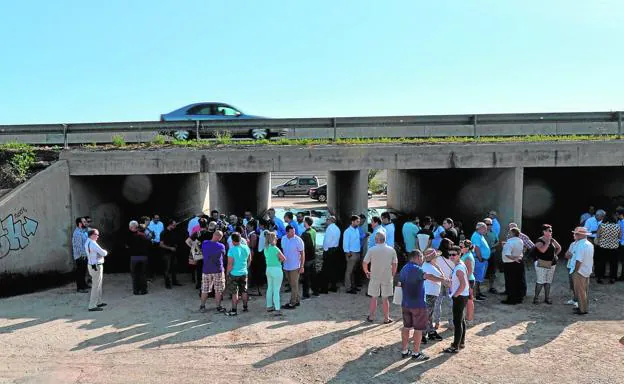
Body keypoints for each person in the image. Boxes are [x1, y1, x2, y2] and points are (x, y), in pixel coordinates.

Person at [398, 250, 431, 361]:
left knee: (406, 327)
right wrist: (443, 280)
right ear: (417, 257)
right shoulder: (418, 269)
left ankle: (404, 350)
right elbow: (427, 276)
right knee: (418, 329)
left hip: (405, 303)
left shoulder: (404, 268)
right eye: (421, 257)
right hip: (418, 304)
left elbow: (400, 283)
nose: (422, 260)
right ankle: (416, 353)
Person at [363, 231, 397, 324]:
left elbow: (365, 262)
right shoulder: (391, 250)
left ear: (377, 240)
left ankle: (371, 316)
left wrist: (367, 272)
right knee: (385, 299)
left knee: (374, 297)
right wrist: (393, 274)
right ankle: (386, 318)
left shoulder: (372, 250)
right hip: (387, 276)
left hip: (374, 275)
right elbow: (394, 264)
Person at [443, 246, 470, 353]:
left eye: (454, 254)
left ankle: (455, 346)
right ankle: (461, 342)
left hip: (460, 297)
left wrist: (455, 295)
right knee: (461, 320)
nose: (451, 256)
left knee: (457, 321)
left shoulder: (459, 268)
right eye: (450, 254)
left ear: (459, 254)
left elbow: (463, 284)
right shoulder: (460, 264)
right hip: (463, 296)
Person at [421, 248, 447, 343]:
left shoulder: (429, 265)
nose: (437, 259)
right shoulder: (429, 267)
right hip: (429, 294)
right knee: (427, 314)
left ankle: (430, 332)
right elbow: (441, 277)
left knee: (429, 314)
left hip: (430, 293)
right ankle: (422, 335)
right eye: (435, 257)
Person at [199, 230, 227, 313]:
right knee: (218, 290)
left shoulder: (205, 243)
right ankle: (218, 307)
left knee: (205, 289)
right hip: (218, 270)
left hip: (206, 270)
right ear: (220, 237)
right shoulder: (221, 246)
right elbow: (223, 255)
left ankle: (202, 306)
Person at [533, 224, 561, 304]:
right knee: (540, 281)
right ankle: (536, 298)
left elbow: (559, 247)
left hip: (552, 263)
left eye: (551, 230)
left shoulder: (552, 239)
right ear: (544, 231)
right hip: (541, 263)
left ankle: (547, 298)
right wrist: (548, 241)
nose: (551, 232)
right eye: (549, 230)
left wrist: (555, 255)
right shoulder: (539, 240)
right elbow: (542, 250)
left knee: (548, 281)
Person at [225, 232, 252, 316]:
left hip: (234, 273)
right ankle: (245, 307)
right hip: (244, 272)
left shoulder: (231, 250)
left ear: (232, 240)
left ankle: (234, 310)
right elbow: (250, 259)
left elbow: (230, 264)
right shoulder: (246, 247)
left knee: (234, 292)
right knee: (244, 291)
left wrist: (227, 273)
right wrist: (246, 267)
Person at [570, 227, 594, 315]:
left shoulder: (580, 245)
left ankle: (582, 309)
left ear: (580, 235)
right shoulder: (589, 244)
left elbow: (579, 260)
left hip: (579, 271)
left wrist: (575, 271)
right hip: (586, 270)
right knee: (584, 291)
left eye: (576, 234)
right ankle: (583, 307)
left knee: (580, 291)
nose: (574, 235)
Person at [281, 225, 305, 309]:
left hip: (295, 266)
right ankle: (297, 300)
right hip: (286, 266)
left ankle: (292, 303)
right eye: (292, 232)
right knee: (291, 284)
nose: (294, 233)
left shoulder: (298, 240)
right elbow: (283, 252)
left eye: (294, 231)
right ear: (287, 232)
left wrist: (302, 266)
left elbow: (302, 254)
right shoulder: (283, 239)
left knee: (294, 284)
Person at [85, 228, 108, 312]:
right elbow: (103, 253)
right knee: (96, 285)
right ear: (92, 235)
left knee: (98, 284)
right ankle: (92, 305)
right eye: (96, 234)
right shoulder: (93, 243)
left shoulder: (88, 241)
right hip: (96, 266)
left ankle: (98, 302)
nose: (98, 236)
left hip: (92, 265)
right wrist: (105, 252)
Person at [264, 231, 286, 315]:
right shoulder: (275, 248)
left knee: (270, 288)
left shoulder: (266, 248)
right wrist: (278, 261)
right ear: (273, 238)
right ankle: (277, 308)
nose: (277, 238)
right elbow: (283, 258)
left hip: (268, 269)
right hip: (276, 269)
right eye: (275, 237)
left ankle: (269, 306)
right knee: (276, 290)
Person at [594, 214, 621, 284]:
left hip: (603, 247)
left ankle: (600, 277)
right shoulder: (618, 226)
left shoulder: (602, 226)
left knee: (601, 263)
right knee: (613, 264)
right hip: (614, 248)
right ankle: (612, 278)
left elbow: (597, 235)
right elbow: (620, 237)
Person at [501, 228, 525, 305]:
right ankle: (519, 298)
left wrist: (514, 259)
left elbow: (507, 254)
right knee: (518, 281)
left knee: (510, 282)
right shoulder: (520, 240)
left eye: (509, 233)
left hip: (510, 264)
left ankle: (511, 300)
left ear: (513, 234)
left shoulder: (510, 242)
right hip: (519, 262)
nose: (508, 234)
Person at [127, 220, 151, 295]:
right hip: (143, 257)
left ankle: (136, 291)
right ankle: (143, 290)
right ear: (137, 227)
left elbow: (127, 246)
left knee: (135, 275)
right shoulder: (143, 235)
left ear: (130, 227)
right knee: (143, 274)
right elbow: (148, 244)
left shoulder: (128, 236)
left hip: (134, 257)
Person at [320, 216, 341, 293]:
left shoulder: (329, 228)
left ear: (331, 220)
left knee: (325, 270)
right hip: (335, 250)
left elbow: (326, 241)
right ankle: (333, 286)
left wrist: (324, 251)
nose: (326, 221)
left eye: (327, 219)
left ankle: (324, 288)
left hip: (329, 250)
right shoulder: (337, 228)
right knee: (333, 269)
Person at [160, 219, 182, 289]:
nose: (175, 226)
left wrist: (175, 245)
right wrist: (170, 248)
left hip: (173, 253)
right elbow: (161, 244)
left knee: (174, 268)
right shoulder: (163, 233)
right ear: (170, 224)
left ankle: (174, 281)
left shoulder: (173, 231)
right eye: (174, 225)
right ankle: (167, 284)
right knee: (167, 269)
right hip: (166, 254)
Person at [471, 222, 490, 301]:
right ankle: (475, 295)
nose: (486, 230)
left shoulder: (480, 235)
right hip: (479, 260)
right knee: (477, 278)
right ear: (480, 228)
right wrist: (480, 258)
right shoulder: (476, 236)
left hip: (482, 260)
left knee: (480, 278)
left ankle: (478, 292)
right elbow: (477, 248)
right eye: (485, 228)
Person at [301, 216, 319, 298]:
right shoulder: (313, 231)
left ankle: (306, 294)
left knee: (306, 277)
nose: (303, 223)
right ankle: (315, 291)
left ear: (306, 223)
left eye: (304, 221)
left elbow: (303, 248)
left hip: (307, 258)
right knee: (313, 275)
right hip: (313, 257)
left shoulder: (305, 234)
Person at [343, 215, 362, 294]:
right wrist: (348, 253)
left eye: (359, 221)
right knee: (349, 271)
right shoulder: (347, 231)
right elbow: (345, 243)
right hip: (351, 253)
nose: (359, 223)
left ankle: (353, 286)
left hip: (357, 252)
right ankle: (348, 288)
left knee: (354, 271)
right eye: (357, 221)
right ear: (352, 221)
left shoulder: (356, 230)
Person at [483, 217, 500, 294]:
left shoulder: (493, 233)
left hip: (492, 254)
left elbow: (497, 241)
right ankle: (477, 290)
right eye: (487, 224)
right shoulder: (481, 233)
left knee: (492, 272)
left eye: (491, 224)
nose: (489, 225)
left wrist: (493, 246)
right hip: (483, 255)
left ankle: (491, 287)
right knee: (482, 271)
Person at [72, 217, 89, 293]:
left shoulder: (83, 232)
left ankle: (84, 285)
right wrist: (83, 255)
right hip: (80, 256)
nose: (86, 223)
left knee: (83, 271)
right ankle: (80, 288)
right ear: (80, 223)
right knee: (80, 272)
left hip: (84, 255)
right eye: (84, 222)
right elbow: (79, 246)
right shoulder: (77, 233)